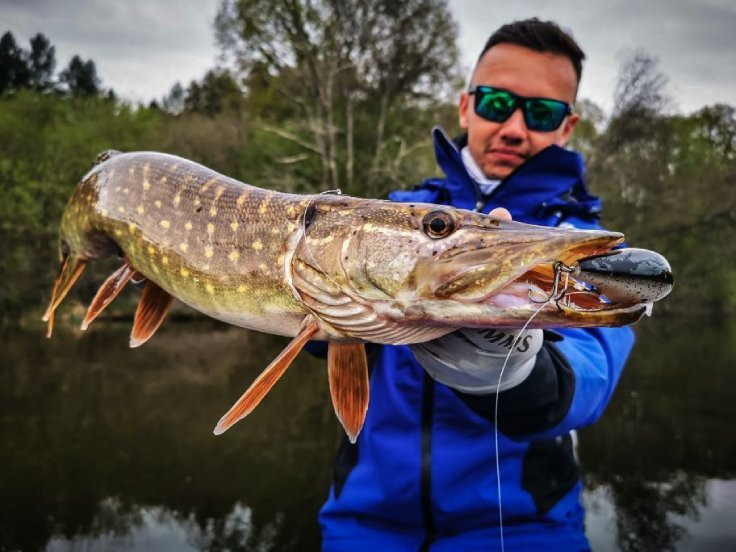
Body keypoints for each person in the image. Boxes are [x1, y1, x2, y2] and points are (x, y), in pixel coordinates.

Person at [319, 18, 634, 552]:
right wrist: (319, 307)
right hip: (363, 525)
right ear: (466, 107)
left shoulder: (585, 249)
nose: (513, 127)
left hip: (526, 532)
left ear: (567, 127)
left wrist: (514, 368)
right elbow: (320, 330)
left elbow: (587, 381)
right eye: (496, 104)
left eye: (540, 113)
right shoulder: (389, 214)